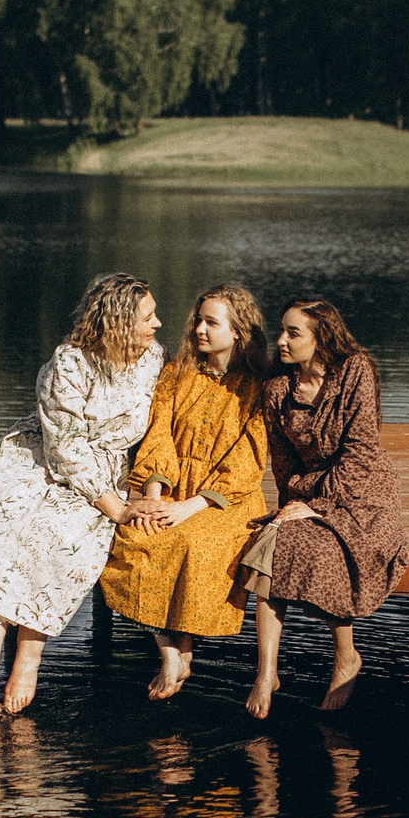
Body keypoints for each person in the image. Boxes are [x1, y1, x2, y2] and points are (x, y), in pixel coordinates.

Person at [0, 273, 167, 725]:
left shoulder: (153, 359)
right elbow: (65, 448)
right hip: (37, 457)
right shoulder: (68, 363)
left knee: (65, 533)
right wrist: (117, 508)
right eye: (148, 317)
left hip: (107, 469)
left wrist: (131, 497)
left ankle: (28, 660)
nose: (158, 324)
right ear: (119, 322)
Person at [99, 284, 272, 701]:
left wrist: (192, 506)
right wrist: (155, 494)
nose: (199, 329)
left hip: (227, 499)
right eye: (198, 320)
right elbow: (158, 437)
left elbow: (247, 464)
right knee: (136, 533)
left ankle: (186, 645)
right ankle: (171, 651)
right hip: (174, 488)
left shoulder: (258, 386)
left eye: (211, 322)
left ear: (239, 331)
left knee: (197, 544)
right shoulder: (177, 374)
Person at [237, 298, 409, 718]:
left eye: (293, 333)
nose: (280, 340)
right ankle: (266, 672)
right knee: (274, 542)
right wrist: (293, 505)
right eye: (282, 330)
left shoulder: (355, 371)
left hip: (364, 493)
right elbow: (283, 462)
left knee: (331, 550)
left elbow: (360, 452)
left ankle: (347, 656)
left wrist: (316, 504)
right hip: (306, 494)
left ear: (321, 339)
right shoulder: (278, 388)